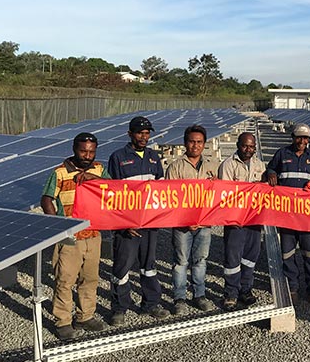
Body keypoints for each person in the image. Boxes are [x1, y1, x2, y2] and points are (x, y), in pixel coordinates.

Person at [41, 132, 109, 341]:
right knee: (65, 279)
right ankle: (62, 321)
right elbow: (46, 199)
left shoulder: (99, 169)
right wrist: (58, 226)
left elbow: (111, 189)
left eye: (91, 151)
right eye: (83, 151)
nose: (87, 155)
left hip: (93, 233)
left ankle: (85, 315)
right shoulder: (60, 173)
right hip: (70, 236)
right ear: (74, 149)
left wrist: (93, 178)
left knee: (89, 278)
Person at [107, 116, 169, 325]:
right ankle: (119, 307)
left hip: (149, 225)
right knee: (122, 267)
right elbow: (113, 195)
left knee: (148, 266)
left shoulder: (153, 157)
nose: (144, 137)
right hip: (128, 226)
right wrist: (123, 223)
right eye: (140, 133)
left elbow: (162, 191)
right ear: (130, 134)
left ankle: (151, 303)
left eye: (147, 133)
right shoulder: (118, 157)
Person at [266, 123, 310, 307]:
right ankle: (292, 288)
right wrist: (271, 173)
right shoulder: (282, 154)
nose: (302, 141)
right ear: (293, 137)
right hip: (286, 214)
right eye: (299, 137)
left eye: (305, 138)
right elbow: (271, 168)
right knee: (288, 253)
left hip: (307, 215)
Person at [165, 124, 219, 314]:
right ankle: (179, 298)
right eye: (192, 142)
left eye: (199, 142)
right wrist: (186, 219)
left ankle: (199, 295)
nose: (195, 146)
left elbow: (218, 195)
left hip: (205, 224)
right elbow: (170, 198)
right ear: (185, 143)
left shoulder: (213, 167)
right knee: (181, 262)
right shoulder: (175, 167)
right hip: (182, 225)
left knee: (201, 260)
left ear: (204, 144)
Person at [217, 132, 266, 311]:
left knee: (250, 257)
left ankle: (246, 289)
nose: (248, 149)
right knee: (233, 257)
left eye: (252, 146)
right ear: (238, 145)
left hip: (254, 220)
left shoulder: (260, 165)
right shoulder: (228, 165)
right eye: (245, 146)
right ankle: (231, 293)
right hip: (235, 220)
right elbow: (225, 193)